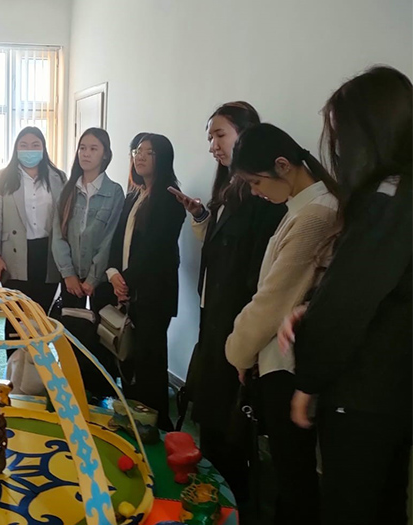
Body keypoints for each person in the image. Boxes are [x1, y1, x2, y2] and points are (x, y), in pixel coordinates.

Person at [280, 66, 412, 525]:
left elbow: (349, 301)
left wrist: (308, 381)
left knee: (351, 506)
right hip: (396, 390)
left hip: (364, 393)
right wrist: (311, 306)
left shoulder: (388, 197)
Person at [225, 123, 340, 525]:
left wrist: (237, 352)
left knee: (295, 478)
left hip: (289, 364)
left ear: (282, 165)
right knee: (289, 473)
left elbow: (274, 300)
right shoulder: (303, 208)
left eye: (256, 182)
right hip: (276, 357)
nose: (256, 191)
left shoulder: (317, 214)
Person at [172, 102, 285, 509]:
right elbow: (222, 250)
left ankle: (231, 505)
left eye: (219, 134)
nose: (213, 146)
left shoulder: (263, 198)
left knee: (232, 430)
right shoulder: (229, 191)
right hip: (216, 322)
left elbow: (259, 275)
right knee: (213, 423)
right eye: (210, 138)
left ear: (246, 133)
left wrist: (248, 345)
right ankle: (213, 499)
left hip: (240, 327)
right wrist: (203, 215)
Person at [107, 133, 185, 431]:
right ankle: (133, 417)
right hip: (129, 288)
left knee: (150, 362)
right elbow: (119, 240)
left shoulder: (170, 198)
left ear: (162, 158)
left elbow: (156, 250)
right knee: (130, 358)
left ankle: (156, 425)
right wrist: (114, 274)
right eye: (137, 151)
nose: (139, 156)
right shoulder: (135, 194)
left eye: (148, 152)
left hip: (154, 294)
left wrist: (125, 280)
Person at [0, 126, 66, 337]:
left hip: (47, 253)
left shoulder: (58, 178)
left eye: (35, 145)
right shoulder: (4, 178)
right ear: (16, 149)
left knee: (40, 316)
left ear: (43, 148)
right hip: (14, 253)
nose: (29, 150)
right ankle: (13, 357)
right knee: (15, 316)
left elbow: (66, 218)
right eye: (24, 145)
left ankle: (36, 357)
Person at [52, 127, 124, 311]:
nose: (86, 154)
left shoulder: (114, 192)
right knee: (71, 325)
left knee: (102, 325)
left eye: (93, 149)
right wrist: (68, 274)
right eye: (82, 148)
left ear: (105, 154)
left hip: (102, 278)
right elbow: (58, 236)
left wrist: (93, 278)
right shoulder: (68, 190)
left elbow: (110, 239)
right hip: (71, 277)